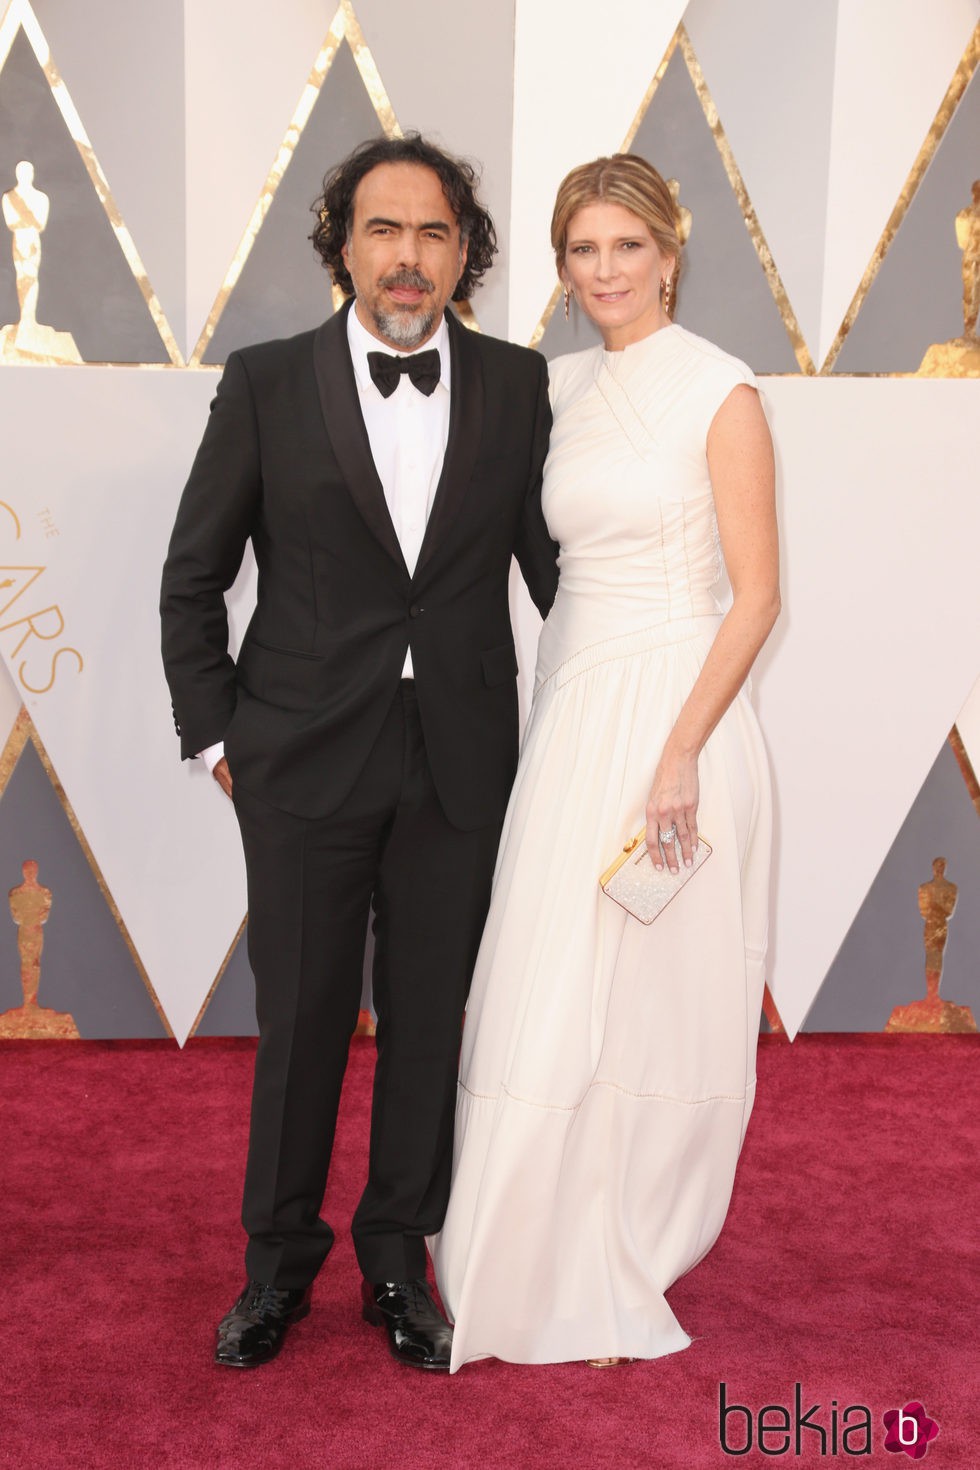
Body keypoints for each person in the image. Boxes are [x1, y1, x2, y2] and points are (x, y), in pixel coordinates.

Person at [160, 133, 558, 1372]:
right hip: (298, 760)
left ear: (463, 253)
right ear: (342, 243)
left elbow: (560, 580)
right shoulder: (269, 381)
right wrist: (217, 740)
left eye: (432, 232)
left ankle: (399, 1261)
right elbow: (193, 576)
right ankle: (275, 1267)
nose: (406, 256)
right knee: (304, 1027)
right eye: (382, 229)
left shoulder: (516, 384)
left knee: (431, 1023)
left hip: (459, 761)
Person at [431, 153, 779, 1370]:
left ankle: (622, 1251)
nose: (602, 272)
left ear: (669, 252)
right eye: (580, 251)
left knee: (646, 1007)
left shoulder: (719, 391)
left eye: (624, 247)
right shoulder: (553, 386)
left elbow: (757, 598)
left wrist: (679, 750)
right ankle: (530, 1255)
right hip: (573, 714)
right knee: (546, 983)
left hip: (673, 724)